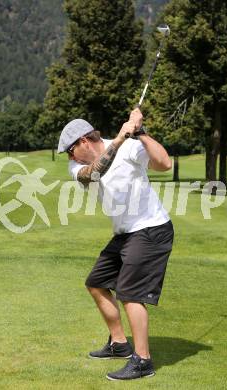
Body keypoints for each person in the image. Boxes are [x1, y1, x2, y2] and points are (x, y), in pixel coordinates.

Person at [57, 108, 174, 381]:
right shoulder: (77, 166)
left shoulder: (131, 146)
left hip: (151, 228)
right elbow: (96, 171)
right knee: (96, 282)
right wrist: (121, 139)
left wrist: (141, 132)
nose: (69, 157)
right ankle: (120, 344)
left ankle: (143, 360)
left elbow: (164, 164)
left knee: (130, 293)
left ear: (84, 141)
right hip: (125, 233)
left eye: (70, 150)